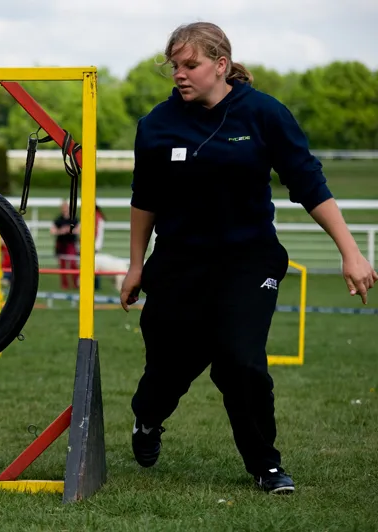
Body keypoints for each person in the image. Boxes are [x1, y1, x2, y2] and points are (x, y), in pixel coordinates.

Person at [119, 21, 377, 495]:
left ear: (221, 65)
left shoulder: (264, 114)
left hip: (248, 261)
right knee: (169, 368)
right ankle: (148, 419)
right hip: (178, 265)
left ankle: (266, 465)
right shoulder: (155, 125)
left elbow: (308, 182)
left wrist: (351, 253)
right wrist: (136, 265)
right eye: (175, 65)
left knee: (241, 361)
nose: (180, 74)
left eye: (191, 65)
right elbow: (145, 199)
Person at [50, 200, 80, 289]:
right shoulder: (58, 220)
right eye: (63, 208)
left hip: (71, 244)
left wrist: (69, 230)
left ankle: (76, 284)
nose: (65, 209)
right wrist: (61, 231)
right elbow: (52, 231)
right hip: (61, 244)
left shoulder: (74, 219)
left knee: (73, 263)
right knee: (62, 265)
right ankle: (64, 285)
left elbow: (79, 229)